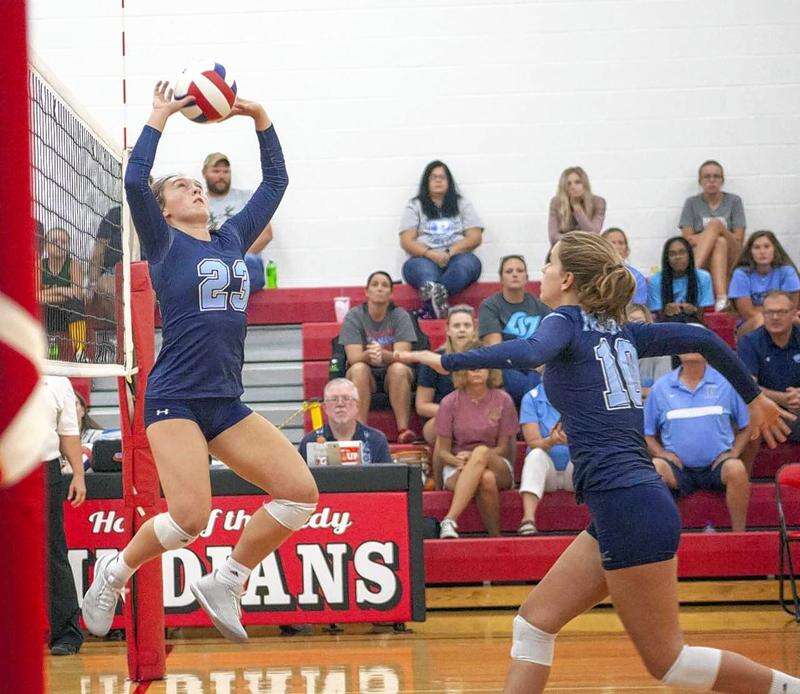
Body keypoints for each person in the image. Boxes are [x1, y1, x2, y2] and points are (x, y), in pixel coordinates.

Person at [396, 230, 797, 693]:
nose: (542, 272)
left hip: (628, 504)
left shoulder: (565, 320)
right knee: (534, 623)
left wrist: (449, 360)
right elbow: (699, 337)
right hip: (624, 505)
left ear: (567, 278)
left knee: (670, 663)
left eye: (548, 264)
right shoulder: (620, 330)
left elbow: (530, 352)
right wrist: (752, 396)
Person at [82, 81, 318, 644]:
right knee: (190, 518)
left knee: (299, 494)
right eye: (181, 186)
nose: (193, 188)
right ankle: (114, 573)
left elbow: (276, 182)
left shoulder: (231, 237)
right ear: (163, 209)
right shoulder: (164, 243)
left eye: (196, 184)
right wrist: (159, 116)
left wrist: (259, 116)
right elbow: (135, 180)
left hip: (224, 400)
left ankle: (227, 579)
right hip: (175, 397)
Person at [644, 347, 751, 532]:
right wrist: (661, 453)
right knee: (655, 467)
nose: (691, 349)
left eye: (696, 344)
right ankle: (660, 536)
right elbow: (647, 433)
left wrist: (734, 452)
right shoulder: (660, 387)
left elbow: (747, 426)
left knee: (737, 468)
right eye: (686, 345)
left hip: (717, 466)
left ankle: (739, 535)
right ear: (677, 351)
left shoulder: (726, 383)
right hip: (679, 469)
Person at [433, 344, 518, 538]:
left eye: (482, 365)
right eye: (472, 366)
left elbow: (504, 449)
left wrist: (475, 457)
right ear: (462, 371)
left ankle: (450, 519)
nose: (477, 370)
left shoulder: (503, 400)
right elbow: (443, 452)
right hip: (457, 465)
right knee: (486, 479)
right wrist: (459, 461)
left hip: (496, 461)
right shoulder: (449, 402)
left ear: (490, 370)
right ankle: (495, 538)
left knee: (481, 452)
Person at [339, 271, 419, 443]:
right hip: (365, 371)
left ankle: (403, 430)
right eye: (375, 285)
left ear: (391, 293)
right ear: (366, 291)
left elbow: (403, 356)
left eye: (385, 285)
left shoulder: (401, 316)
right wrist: (368, 355)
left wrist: (384, 354)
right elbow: (353, 358)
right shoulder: (354, 316)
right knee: (358, 369)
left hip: (392, 371)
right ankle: (360, 431)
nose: (380, 288)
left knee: (398, 369)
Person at [399, 160, 483, 318]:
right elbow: (406, 241)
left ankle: (431, 306)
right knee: (423, 272)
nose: (438, 180)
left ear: (449, 181)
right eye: (433, 177)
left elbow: (475, 237)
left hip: (457, 256)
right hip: (424, 258)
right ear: (426, 182)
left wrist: (450, 252)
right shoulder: (415, 205)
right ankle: (437, 304)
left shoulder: (462, 204)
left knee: (465, 266)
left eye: (442, 177)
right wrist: (430, 254)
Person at [41, 375, 86, 656]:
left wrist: (78, 474)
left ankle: (66, 633)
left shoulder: (57, 379)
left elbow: (68, 432)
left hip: (41, 468)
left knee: (52, 552)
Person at [478, 255, 549, 404]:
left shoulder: (540, 306)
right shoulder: (490, 306)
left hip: (536, 366)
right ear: (501, 278)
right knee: (530, 389)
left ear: (527, 277)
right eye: (509, 271)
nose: (515, 274)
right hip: (506, 365)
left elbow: (549, 343)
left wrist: (540, 364)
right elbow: (496, 349)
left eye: (520, 271)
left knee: (538, 381)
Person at [679, 160, 746, 311]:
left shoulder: (734, 201)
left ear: (722, 180)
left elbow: (738, 239)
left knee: (715, 224)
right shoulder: (691, 203)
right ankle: (722, 298)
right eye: (707, 176)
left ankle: (691, 274)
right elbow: (687, 240)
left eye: (716, 176)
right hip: (706, 257)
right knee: (720, 242)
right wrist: (715, 235)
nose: (712, 180)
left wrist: (713, 230)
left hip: (733, 257)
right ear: (700, 181)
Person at [203, 151, 274, 292]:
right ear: (204, 173)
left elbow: (266, 234)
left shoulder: (247, 197)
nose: (221, 176)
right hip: (209, 265)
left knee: (250, 262)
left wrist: (234, 257)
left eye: (226, 171)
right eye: (216, 171)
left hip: (244, 262)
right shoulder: (198, 201)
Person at [738, 291, 800, 444]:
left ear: (793, 314)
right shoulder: (749, 342)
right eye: (769, 312)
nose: (775, 317)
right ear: (763, 314)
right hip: (765, 407)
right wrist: (783, 399)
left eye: (781, 312)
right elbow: (748, 385)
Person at [517, 380, 573, 535]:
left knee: (589, 456)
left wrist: (572, 440)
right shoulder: (531, 397)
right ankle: (528, 520)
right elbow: (533, 442)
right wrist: (552, 440)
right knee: (535, 454)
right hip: (547, 474)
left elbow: (593, 438)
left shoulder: (583, 395)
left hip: (574, 471)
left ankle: (599, 521)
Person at [415, 305, 476, 447]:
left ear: (474, 329)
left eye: (467, 325)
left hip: (478, 417)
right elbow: (422, 406)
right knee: (446, 422)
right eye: (456, 326)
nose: (462, 330)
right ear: (448, 330)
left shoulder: (485, 359)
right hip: (441, 419)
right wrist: (457, 413)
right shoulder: (433, 361)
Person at [298, 378, 391, 465]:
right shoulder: (310, 442)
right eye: (334, 399)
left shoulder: (376, 441)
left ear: (357, 406)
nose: (340, 404)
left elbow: (386, 476)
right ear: (325, 407)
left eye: (346, 398)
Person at [728, 230, 800, 336]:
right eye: (757, 248)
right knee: (760, 320)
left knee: (794, 321)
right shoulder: (741, 274)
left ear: (775, 249)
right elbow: (748, 313)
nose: (762, 252)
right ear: (750, 252)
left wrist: (762, 309)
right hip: (749, 325)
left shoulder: (787, 272)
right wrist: (777, 311)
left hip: (784, 321)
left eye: (767, 247)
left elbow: (791, 308)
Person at [39, 226, 87, 360]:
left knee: (76, 304)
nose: (59, 245)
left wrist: (49, 292)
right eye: (55, 241)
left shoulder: (73, 265)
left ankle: (80, 353)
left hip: (67, 317)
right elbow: (34, 296)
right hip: (46, 315)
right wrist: (62, 291)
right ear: (46, 246)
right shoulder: (39, 265)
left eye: (64, 242)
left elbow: (77, 294)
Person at [647, 236, 714, 322]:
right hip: (666, 325)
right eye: (672, 254)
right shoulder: (655, 280)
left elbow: (702, 315)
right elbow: (657, 316)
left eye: (682, 252)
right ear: (667, 259)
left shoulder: (703, 277)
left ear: (689, 255)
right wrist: (665, 310)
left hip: (695, 323)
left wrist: (694, 310)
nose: (678, 257)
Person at [547, 166, 606, 247]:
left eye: (577, 182)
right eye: (568, 184)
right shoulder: (556, 202)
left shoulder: (598, 202)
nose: (573, 187)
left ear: (585, 184)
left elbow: (593, 234)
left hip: (586, 249)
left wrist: (577, 207)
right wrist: (578, 240)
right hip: (562, 249)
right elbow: (553, 237)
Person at [626, 304, 673, 398]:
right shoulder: (612, 351)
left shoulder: (661, 353)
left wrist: (629, 392)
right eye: (630, 322)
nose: (635, 327)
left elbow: (662, 392)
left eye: (640, 322)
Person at [601, 227, 647, 304]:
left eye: (621, 243)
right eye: (612, 242)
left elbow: (638, 306)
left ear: (626, 249)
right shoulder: (593, 273)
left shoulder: (636, 277)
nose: (617, 247)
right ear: (602, 247)